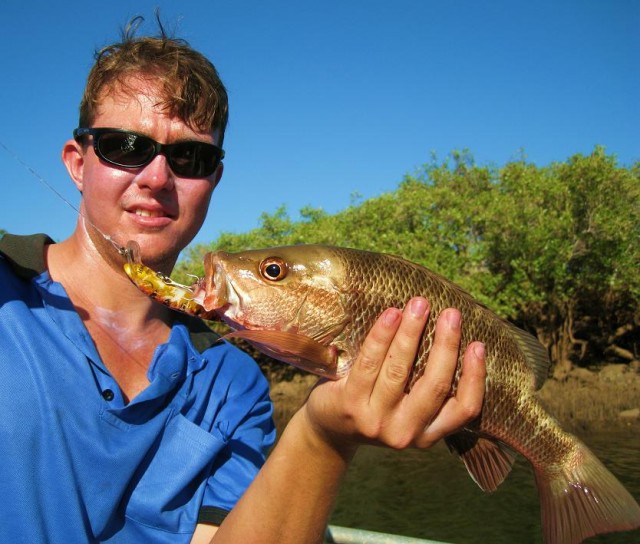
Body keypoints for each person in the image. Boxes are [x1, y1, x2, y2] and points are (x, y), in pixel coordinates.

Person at [0, 19, 486, 544]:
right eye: (126, 147)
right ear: (78, 162)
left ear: (214, 179)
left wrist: (323, 435)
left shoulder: (233, 382)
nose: (158, 177)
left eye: (191, 157)